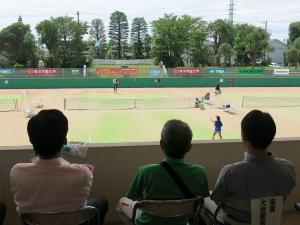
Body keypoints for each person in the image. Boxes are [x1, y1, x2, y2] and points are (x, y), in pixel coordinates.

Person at [10, 109, 108, 225]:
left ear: (31, 140)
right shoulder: (83, 174)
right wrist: (80, 169)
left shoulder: (16, 172)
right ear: (65, 141)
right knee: (102, 202)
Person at [205, 110, 296, 223]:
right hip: (269, 220)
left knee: (205, 198)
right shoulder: (288, 168)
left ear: (243, 136)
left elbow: (216, 198)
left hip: (234, 221)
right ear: (272, 136)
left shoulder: (230, 172)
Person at [117, 119, 209, 225]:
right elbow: (203, 197)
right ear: (189, 147)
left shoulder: (146, 171)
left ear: (161, 144)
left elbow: (130, 198)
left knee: (121, 202)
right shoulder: (200, 172)